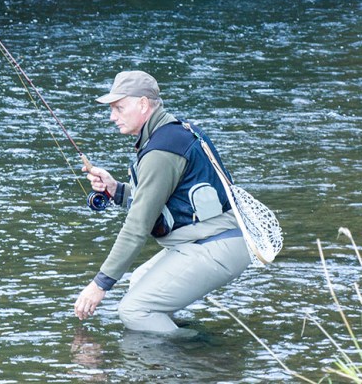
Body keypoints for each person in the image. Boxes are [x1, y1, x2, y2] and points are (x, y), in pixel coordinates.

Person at [73, 70, 251, 334]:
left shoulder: (161, 151)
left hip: (217, 243)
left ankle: (196, 349)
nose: (112, 117)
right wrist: (116, 190)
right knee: (138, 282)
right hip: (212, 239)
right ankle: (181, 345)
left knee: (134, 310)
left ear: (143, 104)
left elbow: (137, 226)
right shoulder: (172, 133)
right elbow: (163, 199)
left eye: (119, 108)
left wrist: (100, 285)